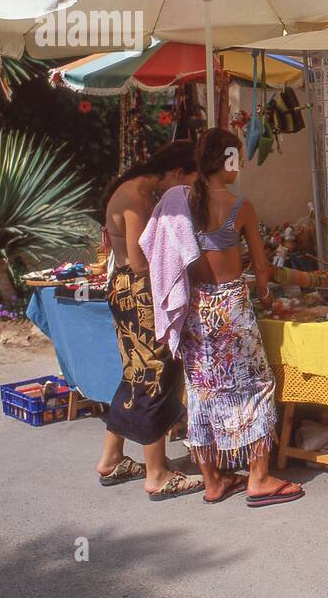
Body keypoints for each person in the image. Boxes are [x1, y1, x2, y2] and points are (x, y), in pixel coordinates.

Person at [182, 129, 303, 507]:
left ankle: (213, 481)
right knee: (256, 386)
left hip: (195, 307)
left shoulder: (184, 203)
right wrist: (268, 298)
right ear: (228, 161)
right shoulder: (240, 206)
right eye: (239, 159)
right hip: (232, 306)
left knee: (202, 390)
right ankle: (259, 477)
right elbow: (262, 268)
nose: (243, 166)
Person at [97, 140, 205, 500]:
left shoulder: (135, 188)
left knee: (134, 373)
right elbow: (142, 260)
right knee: (154, 373)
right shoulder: (137, 195)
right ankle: (158, 474)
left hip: (124, 289)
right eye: (188, 181)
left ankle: (112, 459)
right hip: (140, 291)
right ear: (177, 173)